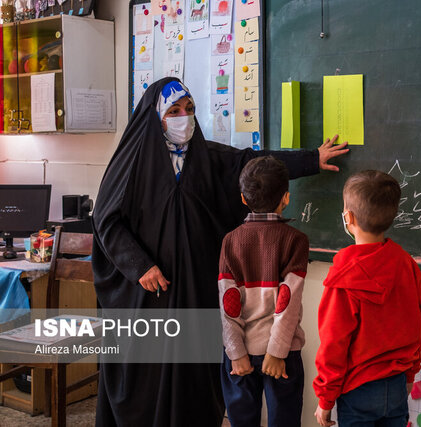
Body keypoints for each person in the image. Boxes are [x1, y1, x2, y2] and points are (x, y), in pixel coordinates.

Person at [92, 77, 348, 427]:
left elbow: (260, 165)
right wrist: (141, 266)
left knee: (196, 386)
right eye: (174, 111)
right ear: (155, 117)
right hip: (149, 297)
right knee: (145, 385)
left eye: (190, 109)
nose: (184, 117)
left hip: (197, 294)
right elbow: (107, 222)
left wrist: (312, 159)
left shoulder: (210, 159)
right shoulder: (130, 164)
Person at [313, 170, 421, 427]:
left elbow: (333, 343)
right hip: (397, 383)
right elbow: (418, 323)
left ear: (348, 217)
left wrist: (325, 399)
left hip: (358, 388)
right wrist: (410, 373)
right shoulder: (407, 265)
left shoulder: (343, 277)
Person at [218, 156, 308, 427]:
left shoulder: (230, 241)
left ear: (243, 199)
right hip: (282, 355)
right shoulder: (296, 240)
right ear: (286, 198)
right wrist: (277, 353)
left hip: (241, 352)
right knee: (285, 419)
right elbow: (287, 303)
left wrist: (237, 353)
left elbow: (228, 304)